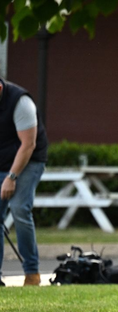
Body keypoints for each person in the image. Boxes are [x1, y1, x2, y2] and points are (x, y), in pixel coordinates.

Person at [0, 76, 48, 287]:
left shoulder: (21, 102)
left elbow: (28, 145)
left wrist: (11, 177)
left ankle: (32, 272)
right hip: (2, 159)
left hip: (29, 160)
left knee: (20, 208)